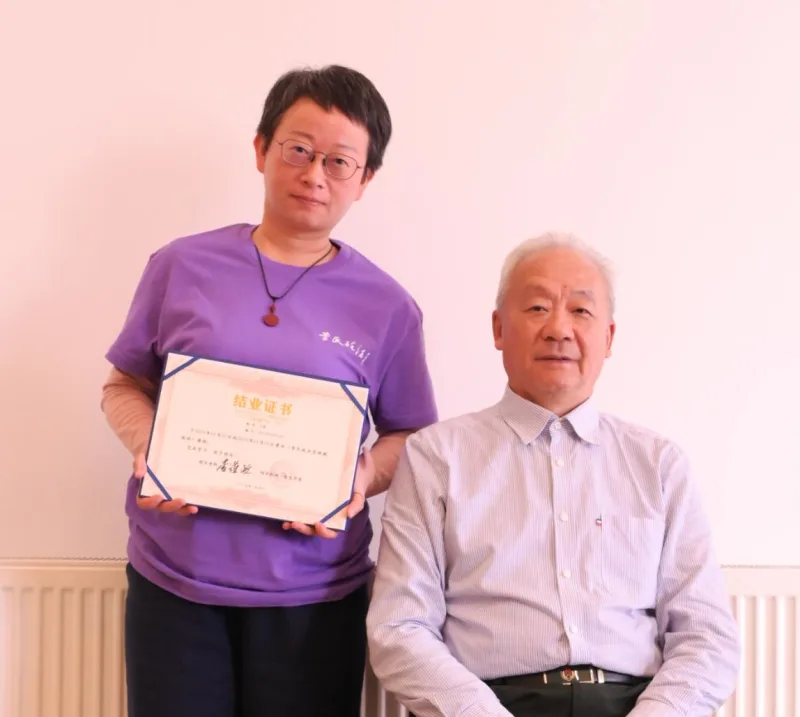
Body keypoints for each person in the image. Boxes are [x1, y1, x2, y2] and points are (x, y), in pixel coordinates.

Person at [100, 64, 437, 717]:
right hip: (175, 581)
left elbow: (411, 433)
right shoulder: (180, 266)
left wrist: (357, 477)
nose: (315, 174)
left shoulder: (388, 306)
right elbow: (123, 384)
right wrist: (154, 449)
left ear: (365, 180)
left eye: (340, 161)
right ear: (261, 149)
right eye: (299, 150)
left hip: (313, 596)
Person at [366, 233, 739, 717]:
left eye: (581, 311)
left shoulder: (660, 465)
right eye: (538, 307)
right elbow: (399, 627)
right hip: (485, 703)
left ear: (608, 338)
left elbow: (707, 635)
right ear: (499, 329)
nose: (559, 328)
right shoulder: (436, 456)